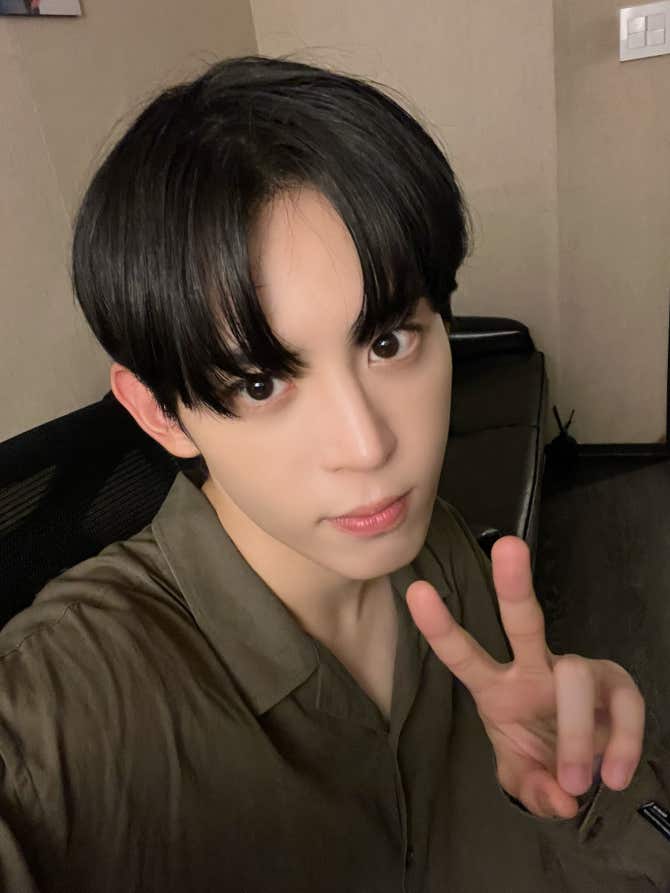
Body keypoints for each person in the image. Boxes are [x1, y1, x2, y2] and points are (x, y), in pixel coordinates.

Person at [0, 55, 667, 892]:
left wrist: (582, 790)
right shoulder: (58, 721)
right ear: (160, 413)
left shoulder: (444, 551)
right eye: (260, 384)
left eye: (388, 341)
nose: (368, 445)